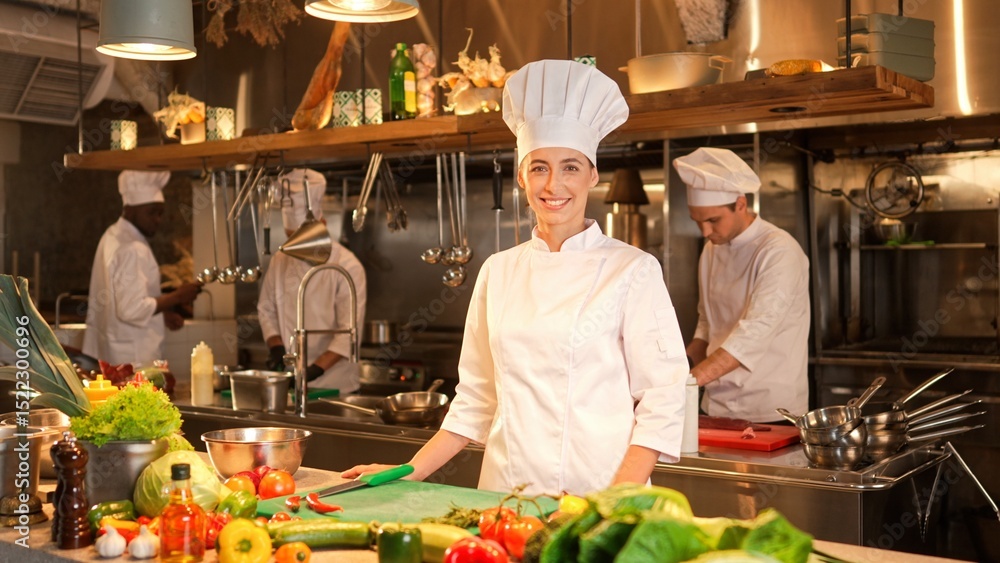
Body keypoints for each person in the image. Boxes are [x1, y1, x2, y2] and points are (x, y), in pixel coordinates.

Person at [343, 60, 688, 496]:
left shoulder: (633, 269)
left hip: (597, 496)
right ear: (522, 176)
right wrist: (409, 471)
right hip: (504, 495)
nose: (554, 185)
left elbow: (662, 397)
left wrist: (617, 499)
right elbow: (476, 398)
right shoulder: (498, 270)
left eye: (570, 167)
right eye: (539, 167)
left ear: (593, 175)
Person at [674, 147, 810, 423]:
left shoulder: (778, 251)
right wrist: (678, 368)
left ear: (740, 204)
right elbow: (707, 322)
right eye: (697, 221)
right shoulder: (711, 249)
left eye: (713, 220)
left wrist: (687, 382)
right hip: (716, 404)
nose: (705, 232)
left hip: (771, 410)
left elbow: (753, 335)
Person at [257, 168, 367, 393]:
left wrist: (315, 370)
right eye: (291, 238)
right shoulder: (280, 259)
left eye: (303, 238)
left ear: (323, 224)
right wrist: (276, 348)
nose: (296, 246)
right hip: (292, 382)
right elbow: (266, 309)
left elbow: (349, 332)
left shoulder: (348, 266)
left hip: (335, 386)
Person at [83, 170, 201, 366]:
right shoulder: (133, 248)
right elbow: (132, 309)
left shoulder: (113, 234)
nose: (158, 220)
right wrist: (178, 296)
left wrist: (160, 316)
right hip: (133, 358)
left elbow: (123, 299)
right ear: (129, 210)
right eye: (152, 212)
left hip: (115, 351)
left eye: (160, 213)